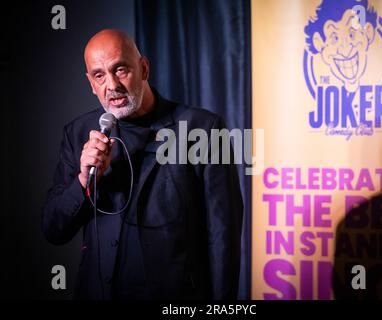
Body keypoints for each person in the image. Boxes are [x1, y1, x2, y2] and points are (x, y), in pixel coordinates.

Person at [42, 29, 243, 300]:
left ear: (144, 68)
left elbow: (223, 236)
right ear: (91, 83)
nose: (111, 85)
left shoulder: (204, 129)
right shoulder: (78, 133)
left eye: (120, 69)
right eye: (99, 75)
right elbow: (54, 228)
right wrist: (83, 180)